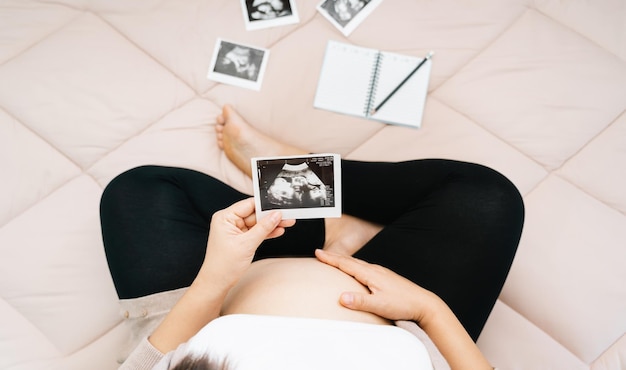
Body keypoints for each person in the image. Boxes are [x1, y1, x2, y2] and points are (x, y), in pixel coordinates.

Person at [100, 105, 524, 369]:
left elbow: (146, 365)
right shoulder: (419, 309)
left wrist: (214, 280)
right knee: (485, 197)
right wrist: (428, 309)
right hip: (399, 306)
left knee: (139, 191)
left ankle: (298, 186)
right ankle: (316, 199)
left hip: (213, 301)